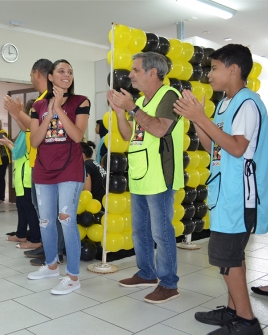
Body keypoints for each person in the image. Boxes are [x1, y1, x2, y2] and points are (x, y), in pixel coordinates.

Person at [174, 44, 268, 335]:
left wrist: (201, 117)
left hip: (239, 197)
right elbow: (215, 148)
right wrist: (197, 119)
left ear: (233, 69)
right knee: (231, 256)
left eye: (214, 68)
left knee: (225, 257)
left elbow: (237, 147)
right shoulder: (223, 104)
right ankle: (233, 311)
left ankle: (246, 322)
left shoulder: (247, 102)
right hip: (224, 194)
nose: (209, 74)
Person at [107, 51, 184, 303]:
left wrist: (132, 107)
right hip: (140, 175)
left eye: (136, 70)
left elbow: (160, 128)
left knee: (161, 232)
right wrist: (121, 111)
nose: (130, 75)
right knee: (140, 231)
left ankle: (169, 283)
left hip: (160, 177)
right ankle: (147, 272)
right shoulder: (143, 101)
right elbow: (129, 135)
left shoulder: (168, 95)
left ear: (153, 72)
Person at [26, 59, 90, 295]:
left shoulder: (80, 101)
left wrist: (60, 109)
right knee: (45, 220)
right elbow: (34, 140)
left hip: (69, 170)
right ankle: (51, 265)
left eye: (70, 72)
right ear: (50, 76)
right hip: (43, 168)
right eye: (61, 71)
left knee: (66, 219)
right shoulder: (37, 106)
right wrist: (49, 112)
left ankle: (73, 276)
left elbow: (76, 136)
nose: (67, 75)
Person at [4, 58, 66, 266]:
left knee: (51, 214)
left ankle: (55, 252)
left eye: (31, 75)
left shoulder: (51, 99)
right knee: (43, 214)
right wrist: (16, 114)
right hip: (37, 165)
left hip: (49, 166)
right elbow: (29, 129)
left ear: (38, 73)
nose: (30, 78)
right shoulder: (40, 99)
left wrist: (16, 111)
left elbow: (44, 130)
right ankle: (45, 246)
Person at [0, 99, 42, 249]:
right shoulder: (24, 130)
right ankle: (21, 233)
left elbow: (17, 152)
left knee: (29, 207)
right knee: (21, 205)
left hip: (27, 176)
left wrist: (7, 144)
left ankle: (36, 239)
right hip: (21, 176)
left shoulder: (30, 131)